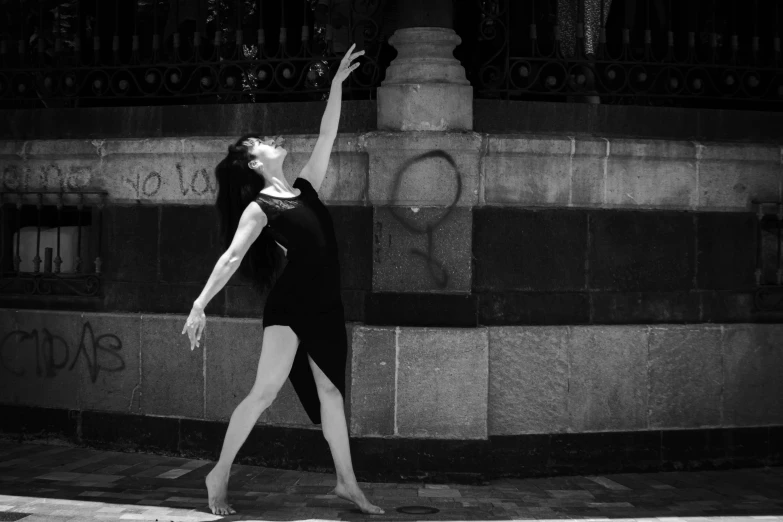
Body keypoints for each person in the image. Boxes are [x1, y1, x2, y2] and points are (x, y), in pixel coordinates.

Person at [181, 43, 384, 517]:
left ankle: (346, 485)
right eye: (262, 143)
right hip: (291, 309)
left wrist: (335, 85)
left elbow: (327, 135)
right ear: (256, 164)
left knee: (331, 392)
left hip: (327, 306)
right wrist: (199, 303)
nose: (272, 141)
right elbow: (231, 257)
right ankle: (220, 472)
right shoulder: (260, 208)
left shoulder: (306, 187)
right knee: (265, 392)